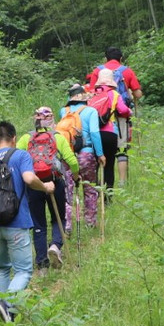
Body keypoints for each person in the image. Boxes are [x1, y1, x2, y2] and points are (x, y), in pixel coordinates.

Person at [0, 120, 55, 322]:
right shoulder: (21, 155)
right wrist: (45, 187)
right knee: (24, 271)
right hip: (17, 223)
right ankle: (6, 304)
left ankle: (5, 315)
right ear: (14, 139)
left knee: (2, 267)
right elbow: (28, 179)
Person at [87, 47, 143, 188]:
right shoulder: (127, 71)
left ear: (106, 58)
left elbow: (92, 93)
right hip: (121, 115)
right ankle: (122, 183)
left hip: (99, 118)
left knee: (98, 151)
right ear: (121, 58)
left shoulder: (97, 71)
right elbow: (138, 95)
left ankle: (96, 185)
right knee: (122, 148)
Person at [26, 106, 70, 270]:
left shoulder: (26, 138)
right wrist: (76, 174)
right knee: (59, 216)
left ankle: (42, 263)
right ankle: (56, 245)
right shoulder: (57, 137)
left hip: (34, 183)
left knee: (38, 223)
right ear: (51, 120)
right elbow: (71, 160)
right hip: (55, 181)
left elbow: (17, 158)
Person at [60, 85, 103, 228]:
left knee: (68, 190)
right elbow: (95, 133)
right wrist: (100, 154)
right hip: (86, 154)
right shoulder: (91, 111)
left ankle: (67, 224)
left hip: (67, 155)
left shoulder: (63, 111)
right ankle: (90, 223)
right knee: (89, 188)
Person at [86, 68, 131, 203]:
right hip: (110, 133)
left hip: (93, 134)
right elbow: (123, 110)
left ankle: (94, 195)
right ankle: (108, 197)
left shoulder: (91, 94)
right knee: (109, 165)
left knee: (95, 165)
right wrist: (130, 112)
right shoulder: (114, 94)